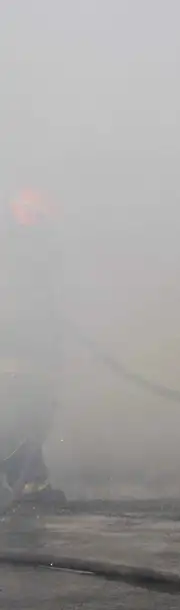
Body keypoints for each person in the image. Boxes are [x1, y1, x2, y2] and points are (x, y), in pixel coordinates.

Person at [0, 188, 66, 504]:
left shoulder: (27, 253)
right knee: (20, 414)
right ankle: (27, 483)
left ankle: (30, 482)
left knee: (28, 414)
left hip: (26, 352)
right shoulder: (17, 250)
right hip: (16, 353)